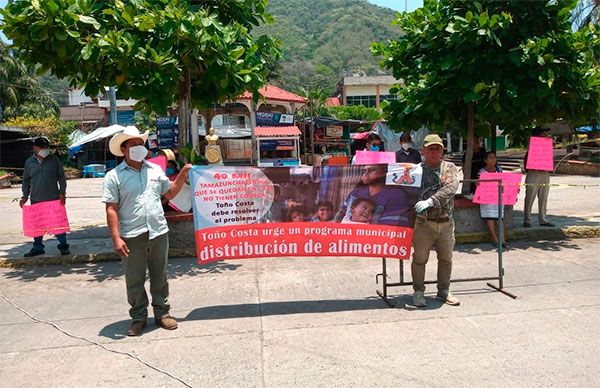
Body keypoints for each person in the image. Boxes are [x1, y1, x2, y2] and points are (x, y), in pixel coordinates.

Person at [102, 126, 192, 337]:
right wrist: (116, 237)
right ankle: (138, 318)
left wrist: (182, 174)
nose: (139, 148)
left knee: (160, 275)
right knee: (134, 279)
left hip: (158, 231)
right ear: (123, 150)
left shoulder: (155, 170)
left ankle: (162, 313)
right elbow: (111, 208)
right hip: (132, 234)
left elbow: (169, 192)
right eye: (133, 145)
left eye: (140, 144)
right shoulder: (113, 176)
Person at [411, 134, 460, 308]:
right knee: (419, 259)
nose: (434, 152)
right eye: (430, 148)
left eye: (437, 148)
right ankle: (418, 292)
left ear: (442, 150)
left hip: (446, 223)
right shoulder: (415, 170)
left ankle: (443, 290)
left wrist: (431, 201)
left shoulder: (450, 167)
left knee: (446, 258)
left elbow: (451, 188)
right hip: (424, 223)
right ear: (423, 150)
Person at [20, 136, 69, 257]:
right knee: (37, 226)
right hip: (36, 199)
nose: (45, 149)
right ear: (35, 148)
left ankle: (63, 246)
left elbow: (61, 178)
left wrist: (62, 192)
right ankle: (38, 247)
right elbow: (26, 180)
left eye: (47, 147)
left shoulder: (54, 160)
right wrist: (24, 196)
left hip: (54, 199)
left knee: (58, 225)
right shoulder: (29, 162)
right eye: (42, 147)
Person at [334, 164, 412, 226]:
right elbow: (341, 213)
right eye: (364, 171)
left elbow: (390, 229)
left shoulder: (396, 196)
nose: (366, 174)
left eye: (371, 170)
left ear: (384, 173)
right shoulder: (356, 192)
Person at [523, 127, 554, 227]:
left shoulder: (548, 146)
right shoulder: (532, 146)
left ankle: (543, 219)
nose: (546, 135)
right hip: (534, 173)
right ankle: (527, 220)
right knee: (530, 197)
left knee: (544, 197)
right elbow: (527, 161)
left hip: (545, 173)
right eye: (543, 133)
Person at [478, 151, 507, 247]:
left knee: (500, 218)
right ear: (485, 160)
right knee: (489, 217)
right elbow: (477, 183)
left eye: (494, 158)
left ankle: (503, 239)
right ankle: (495, 238)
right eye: (490, 158)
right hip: (487, 198)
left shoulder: (499, 170)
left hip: (498, 197)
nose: (493, 160)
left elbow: (504, 182)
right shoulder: (482, 172)